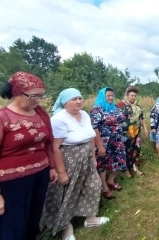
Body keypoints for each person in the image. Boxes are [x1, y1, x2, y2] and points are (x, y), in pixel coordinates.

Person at [42, 88, 109, 240]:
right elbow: (55, 148)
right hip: (69, 159)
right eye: (74, 99)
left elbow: (90, 135)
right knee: (67, 191)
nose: (78, 101)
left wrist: (93, 156)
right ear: (64, 103)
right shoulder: (59, 119)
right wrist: (61, 172)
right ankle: (66, 227)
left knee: (93, 185)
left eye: (80, 98)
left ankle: (90, 218)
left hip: (86, 156)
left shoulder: (85, 115)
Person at [0, 71, 57, 240]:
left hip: (40, 174)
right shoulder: (3, 118)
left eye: (41, 95)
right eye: (34, 96)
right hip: (11, 182)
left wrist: (52, 167)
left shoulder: (40, 114)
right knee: (13, 225)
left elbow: (47, 143)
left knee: (33, 220)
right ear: (17, 93)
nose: (38, 100)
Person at [90, 87, 126, 199]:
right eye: (108, 96)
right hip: (104, 141)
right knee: (103, 164)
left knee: (119, 160)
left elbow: (121, 118)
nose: (111, 98)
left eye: (112, 96)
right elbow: (94, 128)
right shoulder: (97, 109)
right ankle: (104, 187)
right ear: (102, 96)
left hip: (117, 140)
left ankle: (111, 180)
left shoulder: (115, 107)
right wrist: (100, 146)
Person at [117, 85, 148, 177]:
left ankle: (136, 168)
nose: (133, 97)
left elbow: (141, 118)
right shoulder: (121, 105)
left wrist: (145, 128)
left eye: (135, 96)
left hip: (136, 133)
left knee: (136, 150)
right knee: (126, 151)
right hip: (125, 134)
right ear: (127, 95)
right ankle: (126, 170)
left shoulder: (137, 106)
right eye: (132, 95)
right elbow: (116, 119)